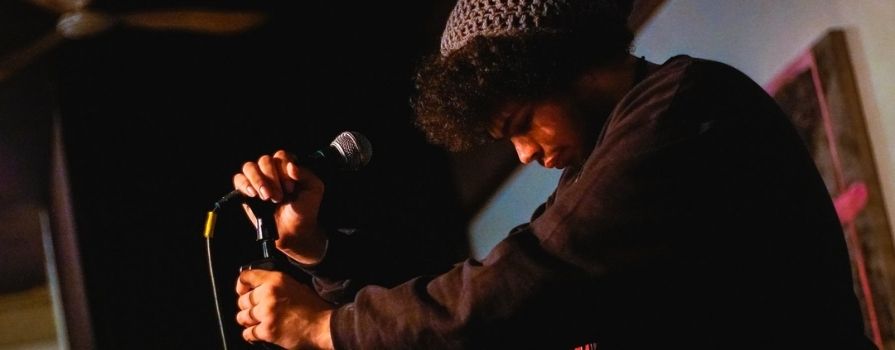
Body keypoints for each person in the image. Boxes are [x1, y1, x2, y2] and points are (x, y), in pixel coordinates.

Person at [231, 0, 876, 349]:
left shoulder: (683, 110)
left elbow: (524, 282)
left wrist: (327, 327)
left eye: (520, 121)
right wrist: (317, 249)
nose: (523, 155)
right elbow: (484, 299)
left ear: (563, 62)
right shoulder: (597, 168)